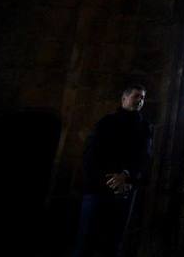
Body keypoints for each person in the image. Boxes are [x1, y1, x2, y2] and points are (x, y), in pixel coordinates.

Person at [73, 84, 152, 257]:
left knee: (113, 242)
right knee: (86, 240)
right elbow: (92, 154)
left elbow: (144, 158)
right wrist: (108, 178)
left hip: (124, 190)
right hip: (98, 189)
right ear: (124, 98)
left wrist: (126, 176)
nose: (140, 100)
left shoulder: (144, 127)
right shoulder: (107, 122)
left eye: (143, 98)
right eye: (136, 96)